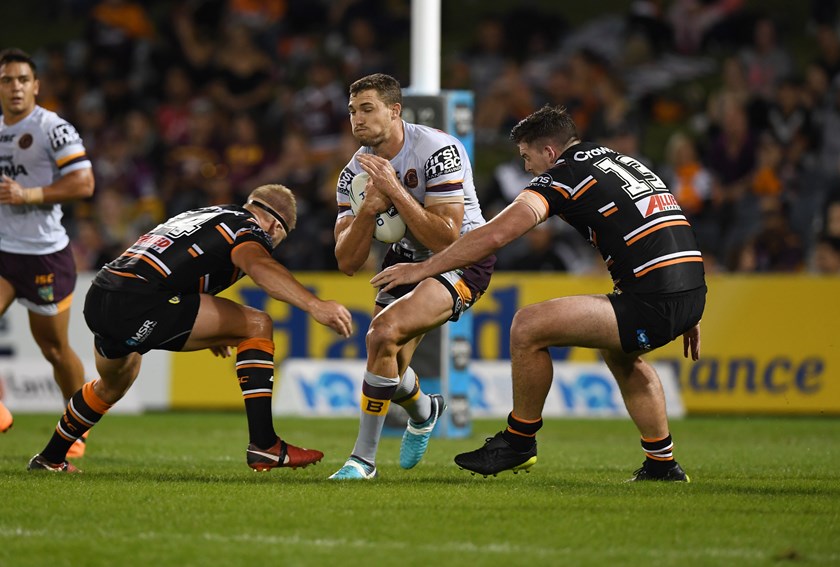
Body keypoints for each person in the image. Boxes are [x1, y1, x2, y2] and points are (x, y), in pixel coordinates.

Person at [372, 105, 706, 482]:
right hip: (687, 286)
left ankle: (519, 442)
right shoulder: (615, 159)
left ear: (549, 152)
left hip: (657, 296)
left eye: (527, 158)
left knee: (528, 326)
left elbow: (496, 235)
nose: (527, 170)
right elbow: (667, 217)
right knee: (621, 355)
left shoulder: (565, 174)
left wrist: (423, 268)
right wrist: (686, 299)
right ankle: (662, 466)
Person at [27, 184, 353, 472]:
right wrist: (315, 305)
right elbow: (259, 265)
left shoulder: (205, 213)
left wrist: (212, 328)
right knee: (258, 324)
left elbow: (183, 264)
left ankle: (50, 457)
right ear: (273, 224)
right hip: (141, 301)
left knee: (113, 383)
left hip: (101, 294)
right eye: (278, 237)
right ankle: (265, 445)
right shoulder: (250, 227)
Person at [329, 73, 496, 479]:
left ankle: (362, 460)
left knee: (381, 334)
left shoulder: (437, 149)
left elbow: (446, 236)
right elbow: (347, 261)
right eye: (353, 111)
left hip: (462, 256)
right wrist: (368, 209)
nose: (358, 119)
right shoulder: (353, 174)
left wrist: (394, 188)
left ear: (395, 110)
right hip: (405, 257)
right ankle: (424, 409)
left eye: (368, 109)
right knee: (389, 361)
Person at [0, 48, 95, 457]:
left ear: (36, 86)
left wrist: (29, 194)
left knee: (54, 349)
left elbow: (84, 183)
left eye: (23, 79)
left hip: (44, 256)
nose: (15, 87)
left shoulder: (52, 128)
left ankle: (76, 427)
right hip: (4, 250)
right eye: (7, 80)